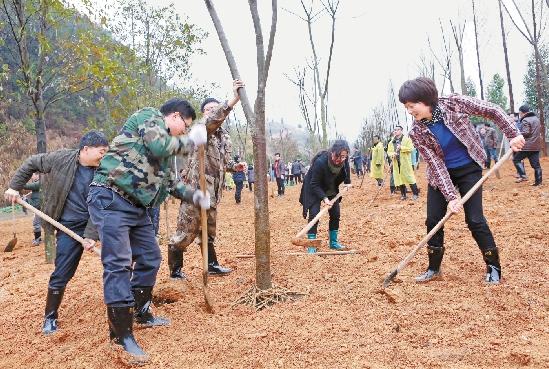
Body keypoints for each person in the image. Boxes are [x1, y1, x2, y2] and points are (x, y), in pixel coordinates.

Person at [87, 98, 212, 362]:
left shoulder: (165, 155)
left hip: (137, 207)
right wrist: (192, 142)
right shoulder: (149, 117)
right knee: (119, 263)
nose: (185, 132)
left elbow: (170, 185)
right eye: (186, 127)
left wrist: (196, 196)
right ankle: (120, 334)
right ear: (175, 116)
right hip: (111, 196)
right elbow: (159, 145)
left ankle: (141, 311)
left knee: (150, 257)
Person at [398, 77, 524, 284]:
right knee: (433, 220)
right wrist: (450, 196)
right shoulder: (416, 132)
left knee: (475, 219)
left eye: (412, 106)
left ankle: (493, 267)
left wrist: (512, 133)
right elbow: (435, 165)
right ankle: (433, 268)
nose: (410, 111)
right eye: (406, 107)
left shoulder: (453, 103)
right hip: (440, 175)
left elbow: (491, 110)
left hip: (468, 168)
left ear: (426, 99)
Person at [4, 131, 109, 335]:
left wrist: (91, 235)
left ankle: (129, 303)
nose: (104, 156)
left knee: (116, 262)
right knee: (62, 273)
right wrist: (14, 187)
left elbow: (101, 207)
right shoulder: (61, 159)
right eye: (101, 151)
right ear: (85, 149)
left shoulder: (105, 172)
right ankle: (50, 317)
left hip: (94, 222)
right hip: (64, 225)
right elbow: (32, 162)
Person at [168, 82, 243, 280]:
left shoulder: (224, 137)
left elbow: (221, 164)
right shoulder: (200, 129)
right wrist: (232, 100)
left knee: (208, 232)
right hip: (195, 189)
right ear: (203, 113)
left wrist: (235, 167)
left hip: (213, 191)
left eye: (215, 108)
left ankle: (211, 265)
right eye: (209, 109)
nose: (213, 112)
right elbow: (212, 120)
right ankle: (175, 270)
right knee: (186, 232)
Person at [299, 140, 352, 251]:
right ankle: (312, 245)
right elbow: (314, 184)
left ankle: (333, 242)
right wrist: (324, 198)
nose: (340, 160)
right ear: (332, 152)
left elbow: (346, 168)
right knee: (314, 214)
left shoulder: (343, 159)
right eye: (338, 156)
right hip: (314, 187)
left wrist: (347, 182)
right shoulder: (320, 162)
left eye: (343, 157)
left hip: (330, 186)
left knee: (335, 213)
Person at [387, 125, 420, 200]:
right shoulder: (392, 142)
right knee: (400, 179)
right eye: (394, 130)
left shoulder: (406, 140)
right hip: (396, 163)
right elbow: (389, 152)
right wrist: (392, 154)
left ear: (401, 131)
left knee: (410, 178)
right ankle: (403, 195)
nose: (396, 131)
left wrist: (401, 147)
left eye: (397, 130)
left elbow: (411, 149)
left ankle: (415, 194)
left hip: (405, 163)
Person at [514, 104, 543, 186]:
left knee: (516, 159)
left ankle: (523, 175)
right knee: (536, 165)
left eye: (519, 113)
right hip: (536, 146)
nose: (519, 115)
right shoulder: (536, 119)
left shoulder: (525, 120)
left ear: (522, 112)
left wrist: (518, 133)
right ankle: (538, 182)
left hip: (528, 146)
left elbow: (526, 133)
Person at [23, 173, 42, 245]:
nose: (31, 177)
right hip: (38, 205)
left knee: (36, 223)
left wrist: (16, 184)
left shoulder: (40, 182)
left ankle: (38, 239)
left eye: (32, 175)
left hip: (39, 206)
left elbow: (26, 186)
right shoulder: (38, 183)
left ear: (37, 175)